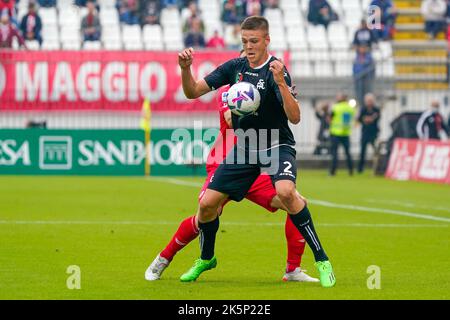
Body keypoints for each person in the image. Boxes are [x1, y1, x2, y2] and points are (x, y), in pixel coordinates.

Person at [176, 16, 336, 287]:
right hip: (247, 146)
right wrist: (185, 68)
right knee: (206, 205)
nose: (249, 47)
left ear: (266, 41)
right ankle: (206, 258)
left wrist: (282, 84)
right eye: (244, 42)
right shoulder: (234, 67)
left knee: (286, 192)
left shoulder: (276, 70)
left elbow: (295, 118)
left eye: (254, 41)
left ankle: (321, 258)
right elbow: (192, 91)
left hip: (276, 143)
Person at [145, 78, 319, 283]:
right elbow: (230, 119)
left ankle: (293, 270)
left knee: (295, 202)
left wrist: (282, 100)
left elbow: (285, 119)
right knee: (205, 212)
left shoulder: (267, 87)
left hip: (255, 164)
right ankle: (164, 258)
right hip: (225, 162)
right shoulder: (228, 91)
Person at [329, 93, 356, 176]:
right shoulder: (350, 108)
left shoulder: (336, 107)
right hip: (346, 133)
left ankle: (333, 172)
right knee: (348, 153)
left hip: (335, 133)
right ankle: (351, 170)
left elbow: (330, 118)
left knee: (334, 154)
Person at [357, 93, 381, 173]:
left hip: (374, 133)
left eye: (370, 100)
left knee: (376, 151)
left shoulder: (376, 109)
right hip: (365, 133)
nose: (369, 102)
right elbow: (359, 119)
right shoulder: (363, 109)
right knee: (362, 151)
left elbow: (377, 118)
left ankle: (377, 167)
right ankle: (360, 168)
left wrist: (369, 119)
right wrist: (365, 119)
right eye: (368, 101)